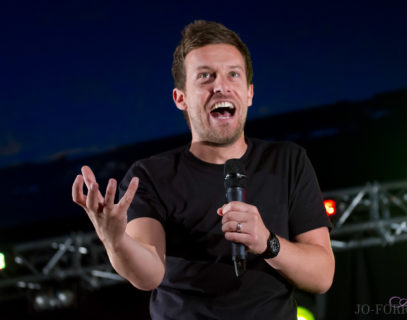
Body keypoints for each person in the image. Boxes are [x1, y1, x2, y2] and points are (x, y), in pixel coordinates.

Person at [72, 20, 334, 319]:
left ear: (249, 93)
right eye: (205, 76)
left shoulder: (287, 161)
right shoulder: (150, 176)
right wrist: (115, 241)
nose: (220, 86)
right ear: (180, 98)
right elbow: (148, 275)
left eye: (233, 74)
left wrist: (267, 242)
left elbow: (322, 275)